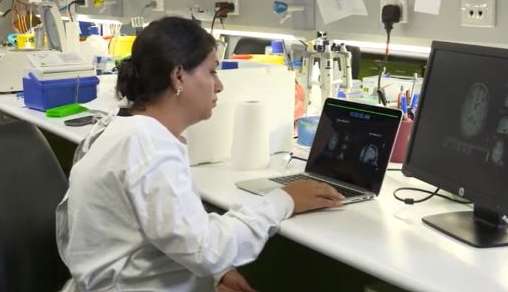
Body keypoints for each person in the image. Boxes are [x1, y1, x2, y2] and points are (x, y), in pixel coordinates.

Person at [56, 17, 344, 292]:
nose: (219, 85)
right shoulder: (148, 147)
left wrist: (213, 273)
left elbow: (170, 230)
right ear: (178, 75)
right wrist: (285, 200)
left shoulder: (122, 128)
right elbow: (205, 249)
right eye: (211, 71)